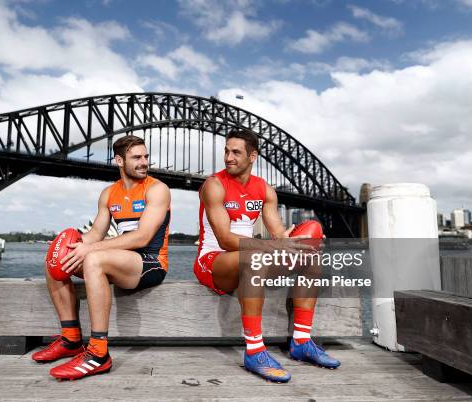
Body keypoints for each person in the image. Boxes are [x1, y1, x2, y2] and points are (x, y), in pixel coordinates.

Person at [194, 129, 340, 383]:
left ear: (253, 156)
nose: (228, 157)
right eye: (226, 151)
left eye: (236, 152)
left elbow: (278, 236)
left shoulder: (264, 189)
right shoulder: (213, 185)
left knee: (311, 246)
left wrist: (298, 242)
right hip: (214, 260)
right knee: (252, 258)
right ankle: (254, 351)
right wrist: (272, 248)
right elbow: (226, 240)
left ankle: (302, 342)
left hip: (250, 258)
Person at [32, 135, 171, 381]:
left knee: (94, 259)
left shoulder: (157, 189)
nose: (144, 162)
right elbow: (96, 233)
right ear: (119, 160)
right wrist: (72, 246)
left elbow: (142, 237)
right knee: (56, 256)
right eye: (136, 157)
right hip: (118, 260)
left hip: (149, 262)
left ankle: (98, 353)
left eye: (145, 156)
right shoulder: (109, 194)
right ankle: (71, 339)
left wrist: (91, 250)